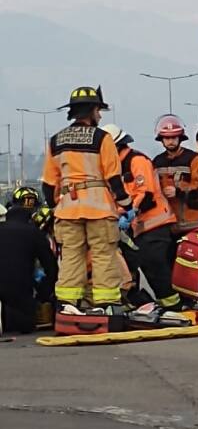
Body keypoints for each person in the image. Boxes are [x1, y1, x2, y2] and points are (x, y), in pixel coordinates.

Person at [42, 85, 133, 310]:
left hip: (67, 210)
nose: (100, 116)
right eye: (98, 111)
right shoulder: (102, 138)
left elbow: (48, 184)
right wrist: (126, 204)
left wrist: (56, 206)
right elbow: (113, 178)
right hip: (99, 209)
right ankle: (106, 304)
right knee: (103, 256)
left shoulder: (56, 140)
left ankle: (67, 304)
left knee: (71, 257)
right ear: (92, 111)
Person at [103, 124, 182, 310]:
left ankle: (174, 306)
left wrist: (129, 212)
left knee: (155, 265)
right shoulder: (115, 166)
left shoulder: (137, 160)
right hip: (138, 225)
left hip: (156, 222)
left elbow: (146, 194)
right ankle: (145, 304)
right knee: (136, 264)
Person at [0, 205, 58, 334]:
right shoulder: (33, 232)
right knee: (25, 323)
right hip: (20, 285)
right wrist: (45, 290)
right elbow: (50, 264)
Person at [152, 114, 198, 235]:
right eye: (167, 138)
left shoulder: (195, 160)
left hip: (191, 223)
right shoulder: (157, 162)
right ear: (161, 140)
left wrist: (178, 192)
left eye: (174, 137)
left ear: (180, 138)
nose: (170, 141)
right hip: (166, 223)